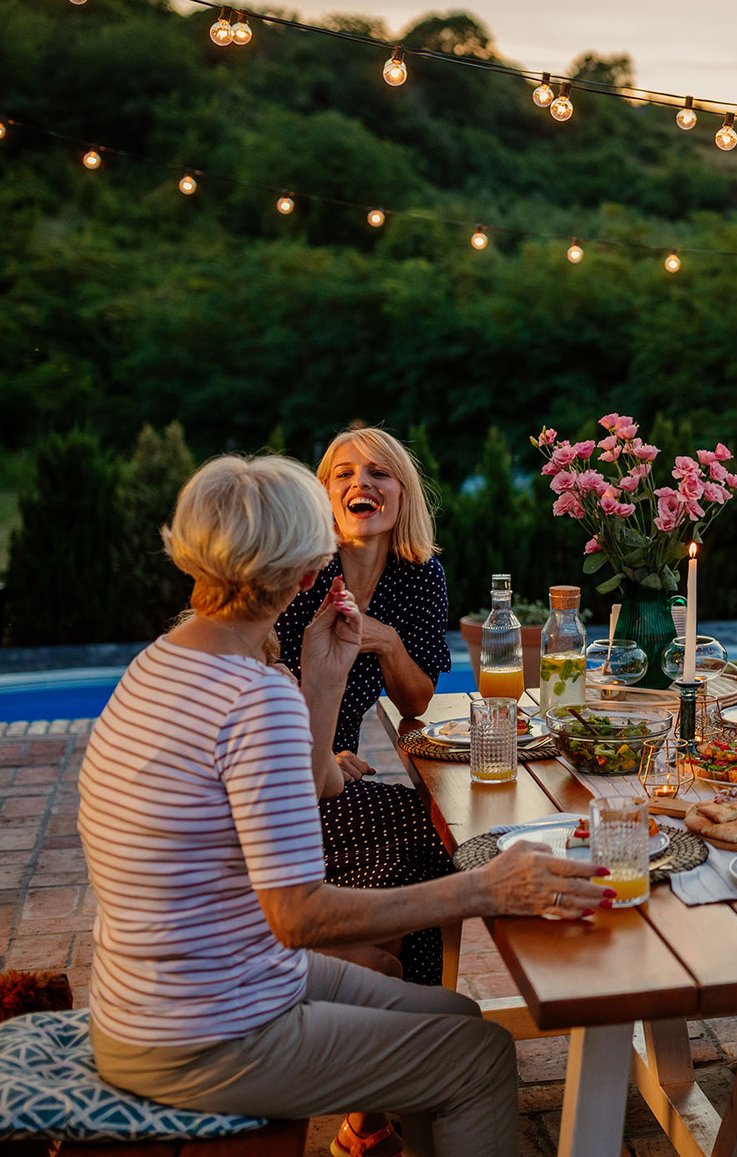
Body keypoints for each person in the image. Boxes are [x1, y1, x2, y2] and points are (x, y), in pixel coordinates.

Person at [79, 454, 613, 1157]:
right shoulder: (252, 694)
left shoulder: (163, 661)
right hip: (205, 1032)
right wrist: (485, 887)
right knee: (479, 1054)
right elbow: (299, 916)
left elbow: (307, 789)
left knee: (444, 1004)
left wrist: (322, 681)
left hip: (152, 993)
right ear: (306, 573)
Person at [273, 425, 456, 990]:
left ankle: (381, 981)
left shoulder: (419, 575)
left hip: (333, 773)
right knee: (427, 833)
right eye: (345, 474)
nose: (362, 483)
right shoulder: (300, 569)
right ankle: (391, 993)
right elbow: (255, 670)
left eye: (379, 472)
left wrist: (386, 641)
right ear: (325, 494)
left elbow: (418, 699)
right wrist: (323, 750)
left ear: (402, 493)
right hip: (280, 776)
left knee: (430, 834)